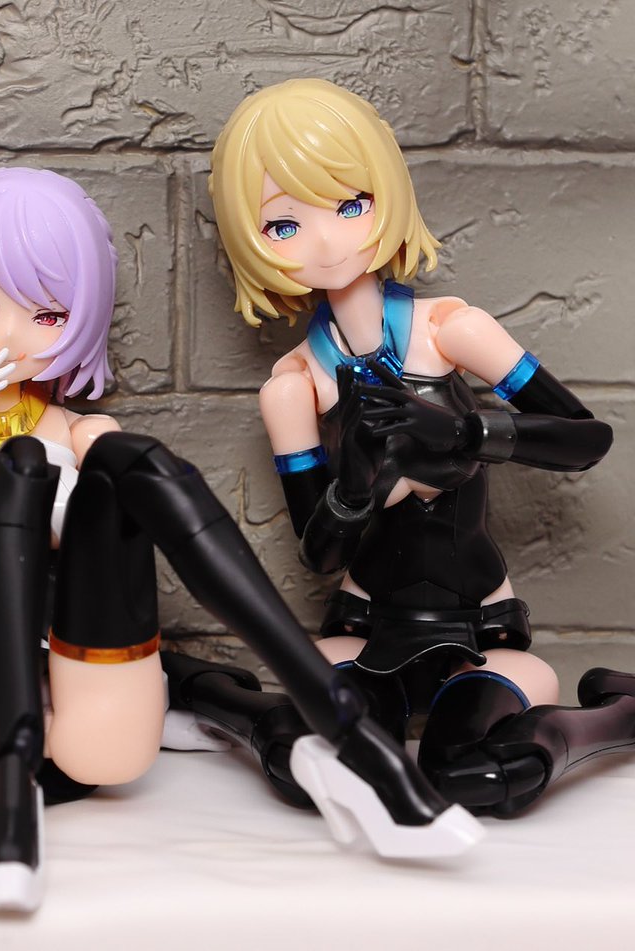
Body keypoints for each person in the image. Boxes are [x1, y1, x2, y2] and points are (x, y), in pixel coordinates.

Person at [0, 166, 482, 913]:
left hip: (88, 704)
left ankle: (358, 748)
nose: (7, 334)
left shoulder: (84, 432)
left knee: (121, 458)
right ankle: (8, 790)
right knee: (16, 469)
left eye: (46, 315)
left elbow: (111, 529)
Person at [207, 77, 628, 816]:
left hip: (483, 629)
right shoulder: (295, 387)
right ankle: (217, 698)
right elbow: (321, 554)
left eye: (350, 205)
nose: (327, 241)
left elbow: (585, 439)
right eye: (284, 225)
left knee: (477, 773)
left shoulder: (451, 330)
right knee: (317, 770)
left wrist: (469, 433)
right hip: (361, 630)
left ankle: (615, 715)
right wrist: (353, 486)